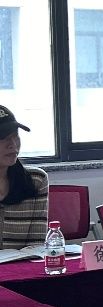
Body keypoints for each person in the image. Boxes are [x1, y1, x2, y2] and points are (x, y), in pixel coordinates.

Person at [0, 105, 49, 248]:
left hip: (25, 262)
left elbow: (37, 245)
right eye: (3, 138)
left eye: (15, 136)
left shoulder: (36, 180)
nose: (13, 144)